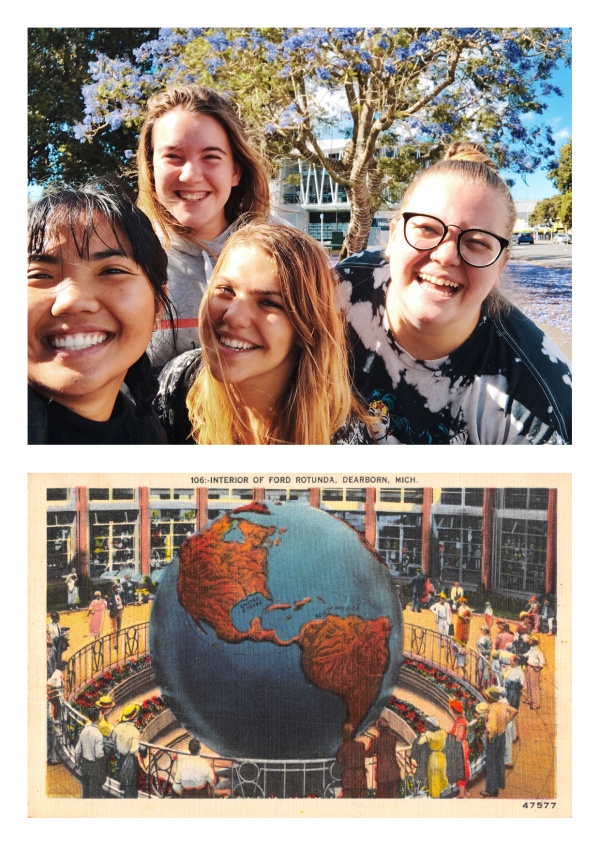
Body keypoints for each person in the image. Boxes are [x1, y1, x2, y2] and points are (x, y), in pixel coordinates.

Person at [336, 140, 572, 444]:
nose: (446, 256)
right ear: (394, 236)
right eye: (427, 229)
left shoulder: (537, 403)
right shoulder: (341, 289)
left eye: (477, 242)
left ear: (500, 265)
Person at [155, 222, 369, 445]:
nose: (233, 316)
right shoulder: (178, 382)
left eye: (269, 303)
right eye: (226, 290)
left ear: (307, 327)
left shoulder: (341, 439)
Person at [137, 84, 271, 369]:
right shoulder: (127, 259)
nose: (191, 175)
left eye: (211, 157)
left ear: (235, 170)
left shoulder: (282, 254)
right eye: (173, 157)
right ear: (151, 168)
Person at [28, 186, 174, 444]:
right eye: (40, 275)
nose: (72, 301)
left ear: (157, 307)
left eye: (111, 271)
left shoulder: (149, 433)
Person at [479, 687, 517, 797]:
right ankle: (500, 782)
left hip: (494, 738)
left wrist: (489, 736)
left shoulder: (492, 709)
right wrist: (506, 722)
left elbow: (492, 728)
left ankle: (492, 789)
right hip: (502, 735)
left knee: (491, 764)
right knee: (500, 760)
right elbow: (514, 711)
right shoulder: (502, 705)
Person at [74, 706, 106, 798]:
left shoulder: (84, 730)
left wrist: (77, 762)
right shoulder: (98, 734)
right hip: (94, 766)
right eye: (100, 713)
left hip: (84, 764)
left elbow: (78, 749)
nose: (101, 715)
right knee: (95, 793)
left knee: (86, 791)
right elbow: (99, 754)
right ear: (97, 717)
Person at [111, 703, 141, 798]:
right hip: (130, 760)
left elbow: (113, 741)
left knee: (122, 781)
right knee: (130, 785)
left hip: (120, 758)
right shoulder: (135, 732)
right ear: (134, 717)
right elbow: (134, 750)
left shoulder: (117, 728)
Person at [365, 718, 401, 798]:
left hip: (382, 774)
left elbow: (368, 754)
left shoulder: (376, 741)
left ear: (378, 729)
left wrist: (371, 743)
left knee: (382, 798)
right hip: (394, 771)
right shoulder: (393, 738)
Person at [417, 716, 448, 798]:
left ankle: (434, 796)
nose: (427, 726)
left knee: (433, 778)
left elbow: (420, 742)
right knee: (441, 776)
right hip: (441, 757)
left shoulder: (429, 734)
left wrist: (423, 735)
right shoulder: (442, 733)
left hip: (433, 758)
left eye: (428, 724)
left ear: (432, 725)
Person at [336, 722, 368, 798]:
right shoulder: (361, 745)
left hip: (349, 778)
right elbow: (364, 755)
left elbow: (339, 760)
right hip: (360, 777)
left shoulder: (343, 746)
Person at [445, 699, 470, 798]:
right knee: (462, 769)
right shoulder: (459, 721)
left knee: (461, 769)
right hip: (460, 747)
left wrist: (451, 735)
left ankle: (462, 793)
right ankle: (464, 791)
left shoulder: (461, 722)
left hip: (460, 749)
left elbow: (459, 737)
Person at [524, 635, 546, 709]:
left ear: (534, 641)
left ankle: (536, 704)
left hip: (534, 668)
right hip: (529, 667)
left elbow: (542, 662)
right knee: (529, 684)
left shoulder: (539, 651)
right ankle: (530, 699)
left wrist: (538, 668)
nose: (529, 641)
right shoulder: (532, 648)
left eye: (530, 640)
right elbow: (527, 654)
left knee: (534, 686)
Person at [107, 583, 124, 652]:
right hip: (114, 613)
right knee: (114, 629)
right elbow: (109, 605)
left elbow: (124, 601)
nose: (117, 590)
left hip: (120, 611)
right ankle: (115, 644)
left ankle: (117, 641)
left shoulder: (121, 595)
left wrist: (122, 608)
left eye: (118, 589)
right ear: (113, 590)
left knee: (119, 629)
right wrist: (112, 611)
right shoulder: (111, 596)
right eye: (116, 589)